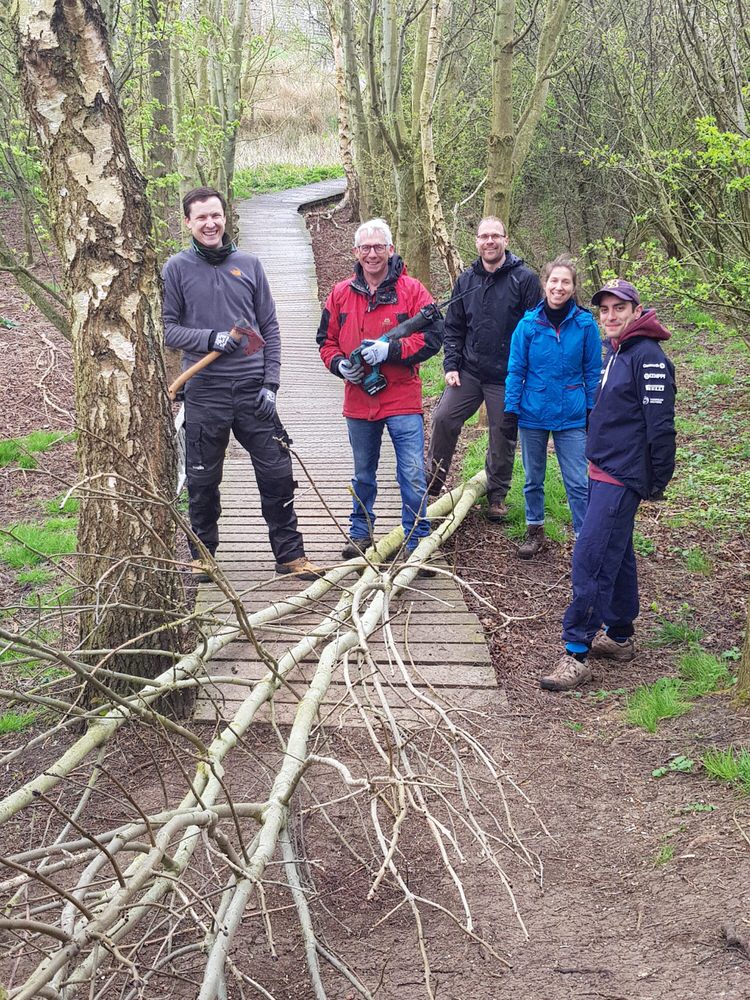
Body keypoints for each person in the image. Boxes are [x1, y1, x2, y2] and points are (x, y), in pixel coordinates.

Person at [163, 186, 318, 581]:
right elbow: (168, 329)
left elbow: (270, 327)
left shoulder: (249, 264)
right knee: (201, 481)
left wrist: (271, 384)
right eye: (201, 218)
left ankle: (290, 555)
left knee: (278, 474)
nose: (210, 223)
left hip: (253, 392)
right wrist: (209, 339)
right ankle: (203, 555)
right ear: (188, 223)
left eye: (215, 215)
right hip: (204, 391)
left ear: (225, 217)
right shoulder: (176, 268)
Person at [540, 279, 677, 692]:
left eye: (620, 308)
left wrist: (654, 480)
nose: (611, 316)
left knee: (592, 556)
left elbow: (661, 427)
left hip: (623, 475)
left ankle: (576, 651)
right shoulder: (615, 352)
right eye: (605, 310)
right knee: (616, 553)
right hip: (602, 469)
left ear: (637, 311)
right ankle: (619, 635)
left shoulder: (648, 357)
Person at [316, 218, 444, 561]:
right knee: (362, 473)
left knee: (413, 473)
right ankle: (360, 532)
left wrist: (392, 350)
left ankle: (418, 541)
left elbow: (434, 336)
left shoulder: (413, 290)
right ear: (356, 252)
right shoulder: (340, 294)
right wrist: (341, 365)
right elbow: (325, 343)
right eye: (365, 248)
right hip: (358, 400)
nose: (372, 254)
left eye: (378, 247)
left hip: (402, 396)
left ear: (390, 249)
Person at [426, 217, 542, 520]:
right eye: (483, 237)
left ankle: (496, 495)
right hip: (469, 370)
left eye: (495, 236)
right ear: (477, 241)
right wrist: (451, 364)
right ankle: (432, 485)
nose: (489, 242)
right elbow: (453, 327)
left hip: (507, 375)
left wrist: (526, 373)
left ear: (505, 239)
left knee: (502, 432)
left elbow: (534, 330)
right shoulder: (466, 280)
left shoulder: (525, 279)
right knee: (443, 418)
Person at [503, 257, 602, 557]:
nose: (559, 287)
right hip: (532, 413)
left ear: (573, 288)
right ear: (544, 284)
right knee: (533, 478)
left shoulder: (585, 325)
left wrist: (591, 410)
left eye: (565, 282)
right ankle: (535, 532)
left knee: (577, 482)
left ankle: (586, 540)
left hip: (571, 415)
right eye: (553, 281)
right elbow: (516, 370)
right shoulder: (528, 325)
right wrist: (510, 410)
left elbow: (592, 372)